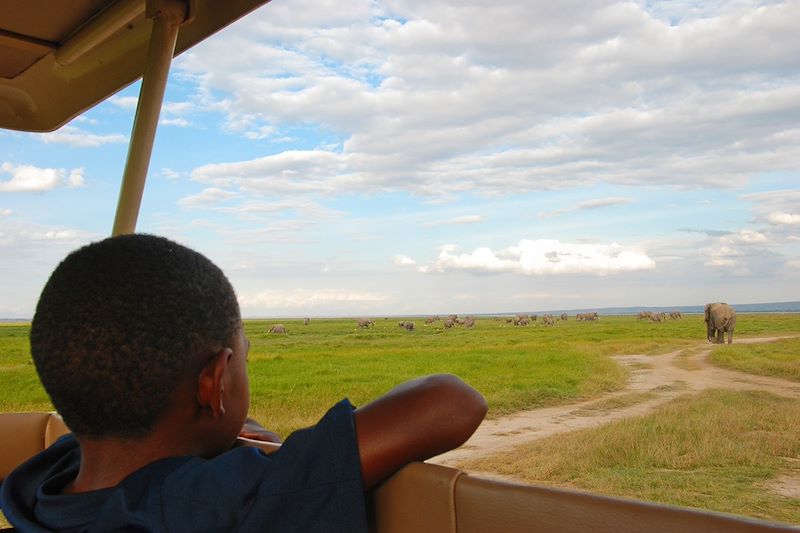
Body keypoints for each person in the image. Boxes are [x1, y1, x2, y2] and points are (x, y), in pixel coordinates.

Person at [1, 234, 486, 532]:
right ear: (214, 384)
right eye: (243, 361)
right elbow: (451, 401)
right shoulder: (216, 502)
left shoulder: (44, 483)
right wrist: (276, 458)